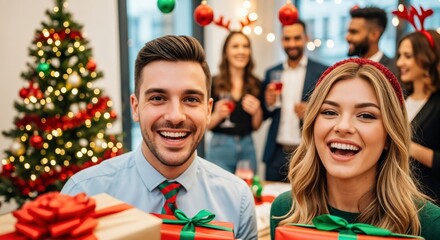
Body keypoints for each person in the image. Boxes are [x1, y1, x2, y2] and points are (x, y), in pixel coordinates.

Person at [61, 35, 258, 240]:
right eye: (157, 98)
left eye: (191, 99)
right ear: (136, 108)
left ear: (208, 111)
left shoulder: (237, 199)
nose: (175, 116)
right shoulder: (84, 193)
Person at [269, 58, 440, 240]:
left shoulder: (430, 224)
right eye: (329, 112)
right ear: (312, 127)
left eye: (366, 115)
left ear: (389, 137)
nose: (343, 126)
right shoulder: (285, 211)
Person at [261, 20, 327, 182]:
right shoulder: (272, 72)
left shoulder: (322, 72)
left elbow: (330, 111)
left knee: (305, 203)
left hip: (306, 152)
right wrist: (268, 103)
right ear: (282, 40)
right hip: (276, 153)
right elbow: (264, 114)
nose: (292, 44)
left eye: (297, 38)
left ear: (306, 39)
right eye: (287, 39)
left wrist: (312, 111)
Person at [207, 31, 262, 174]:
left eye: (245, 46)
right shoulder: (213, 83)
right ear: (226, 52)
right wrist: (218, 115)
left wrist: (257, 111)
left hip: (247, 145)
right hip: (220, 147)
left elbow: (256, 126)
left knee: (249, 191)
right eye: (235, 46)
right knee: (218, 191)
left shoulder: (256, 83)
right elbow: (205, 125)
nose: (241, 51)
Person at [396, 29, 440, 205]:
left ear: (427, 58)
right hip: (398, 196)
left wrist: (402, 143)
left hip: (428, 201)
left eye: (407, 56)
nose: (399, 62)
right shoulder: (401, 98)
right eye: (400, 55)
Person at [346, 6, 398, 76]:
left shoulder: (393, 72)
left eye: (354, 32)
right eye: (348, 31)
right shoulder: (348, 70)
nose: (347, 37)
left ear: (374, 35)